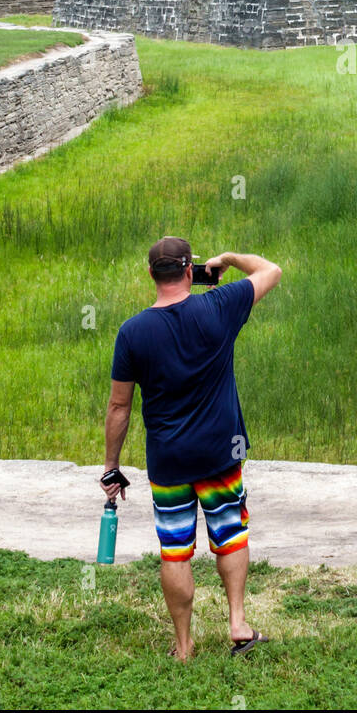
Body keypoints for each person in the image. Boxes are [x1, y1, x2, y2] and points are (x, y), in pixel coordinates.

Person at [100, 237, 281, 661]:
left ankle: (183, 646)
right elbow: (271, 270)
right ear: (189, 271)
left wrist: (111, 466)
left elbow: (119, 406)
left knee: (176, 551)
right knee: (231, 536)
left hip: (168, 461)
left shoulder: (132, 332)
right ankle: (237, 625)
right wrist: (230, 259)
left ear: (151, 275)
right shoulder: (220, 305)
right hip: (221, 452)